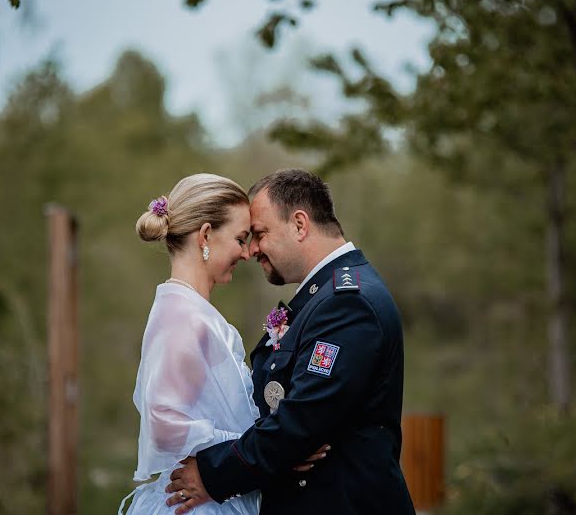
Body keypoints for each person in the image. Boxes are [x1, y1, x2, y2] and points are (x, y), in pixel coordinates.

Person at [165, 169, 416, 515]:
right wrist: (288, 449)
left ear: (299, 224)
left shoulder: (349, 302)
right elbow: (281, 417)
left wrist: (211, 473)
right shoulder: (321, 299)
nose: (251, 250)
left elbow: (300, 422)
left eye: (260, 234)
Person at [120, 173, 324, 515]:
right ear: (205, 236)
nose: (247, 253)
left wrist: (277, 448)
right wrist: (272, 450)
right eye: (240, 238)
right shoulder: (181, 316)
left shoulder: (191, 311)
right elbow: (163, 423)